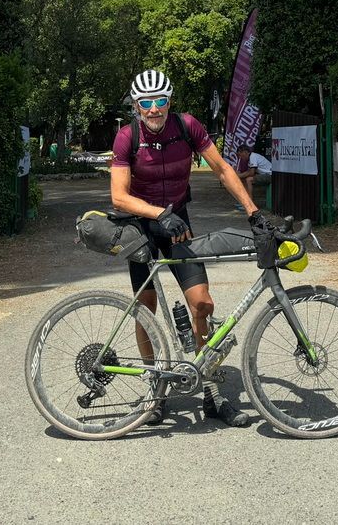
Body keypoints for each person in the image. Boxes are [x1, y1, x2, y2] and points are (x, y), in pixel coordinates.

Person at [110, 68, 257, 428]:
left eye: (160, 101)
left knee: (202, 302)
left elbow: (222, 168)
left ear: (169, 101)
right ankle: (154, 389)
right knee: (145, 310)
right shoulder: (127, 138)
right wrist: (159, 214)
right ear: (137, 106)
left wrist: (253, 212)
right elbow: (118, 197)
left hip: (178, 225)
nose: (154, 109)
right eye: (147, 103)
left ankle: (211, 392)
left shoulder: (187, 126)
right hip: (142, 228)